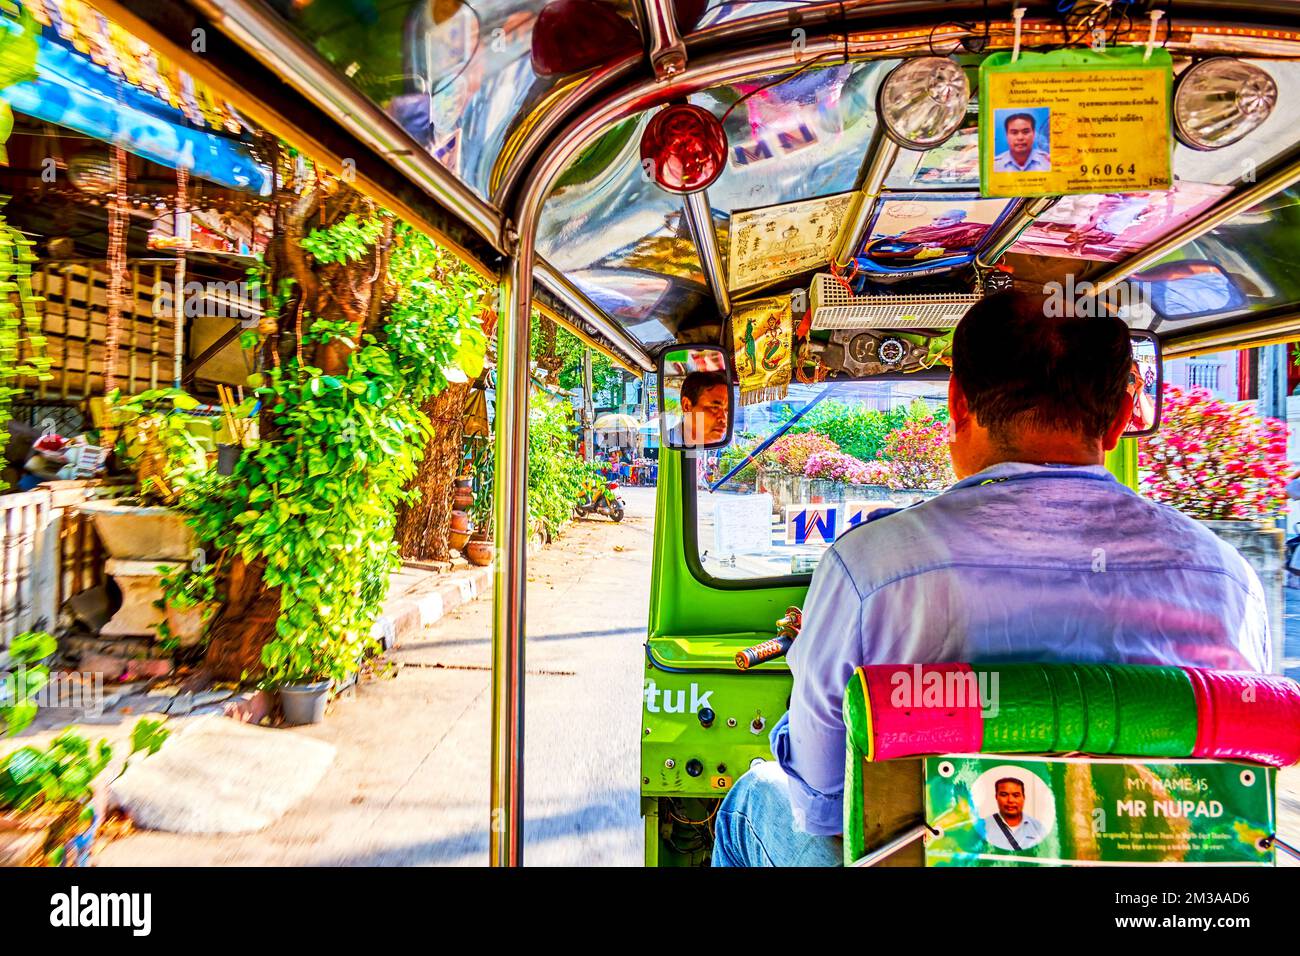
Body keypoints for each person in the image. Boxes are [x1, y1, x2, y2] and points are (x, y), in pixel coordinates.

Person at [712, 290, 1270, 868]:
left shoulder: (869, 573)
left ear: (956, 403)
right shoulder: (1228, 582)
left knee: (751, 802)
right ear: (1124, 417)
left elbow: (821, 803)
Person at [975, 777, 1047, 851]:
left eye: (1016, 795)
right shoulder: (981, 827)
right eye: (1004, 795)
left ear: (1023, 797)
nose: (1010, 800)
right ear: (996, 797)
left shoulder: (1038, 828)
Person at [668, 370, 730, 447]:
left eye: (727, 411)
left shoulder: (725, 444)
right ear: (687, 406)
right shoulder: (666, 443)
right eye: (715, 407)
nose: (724, 418)